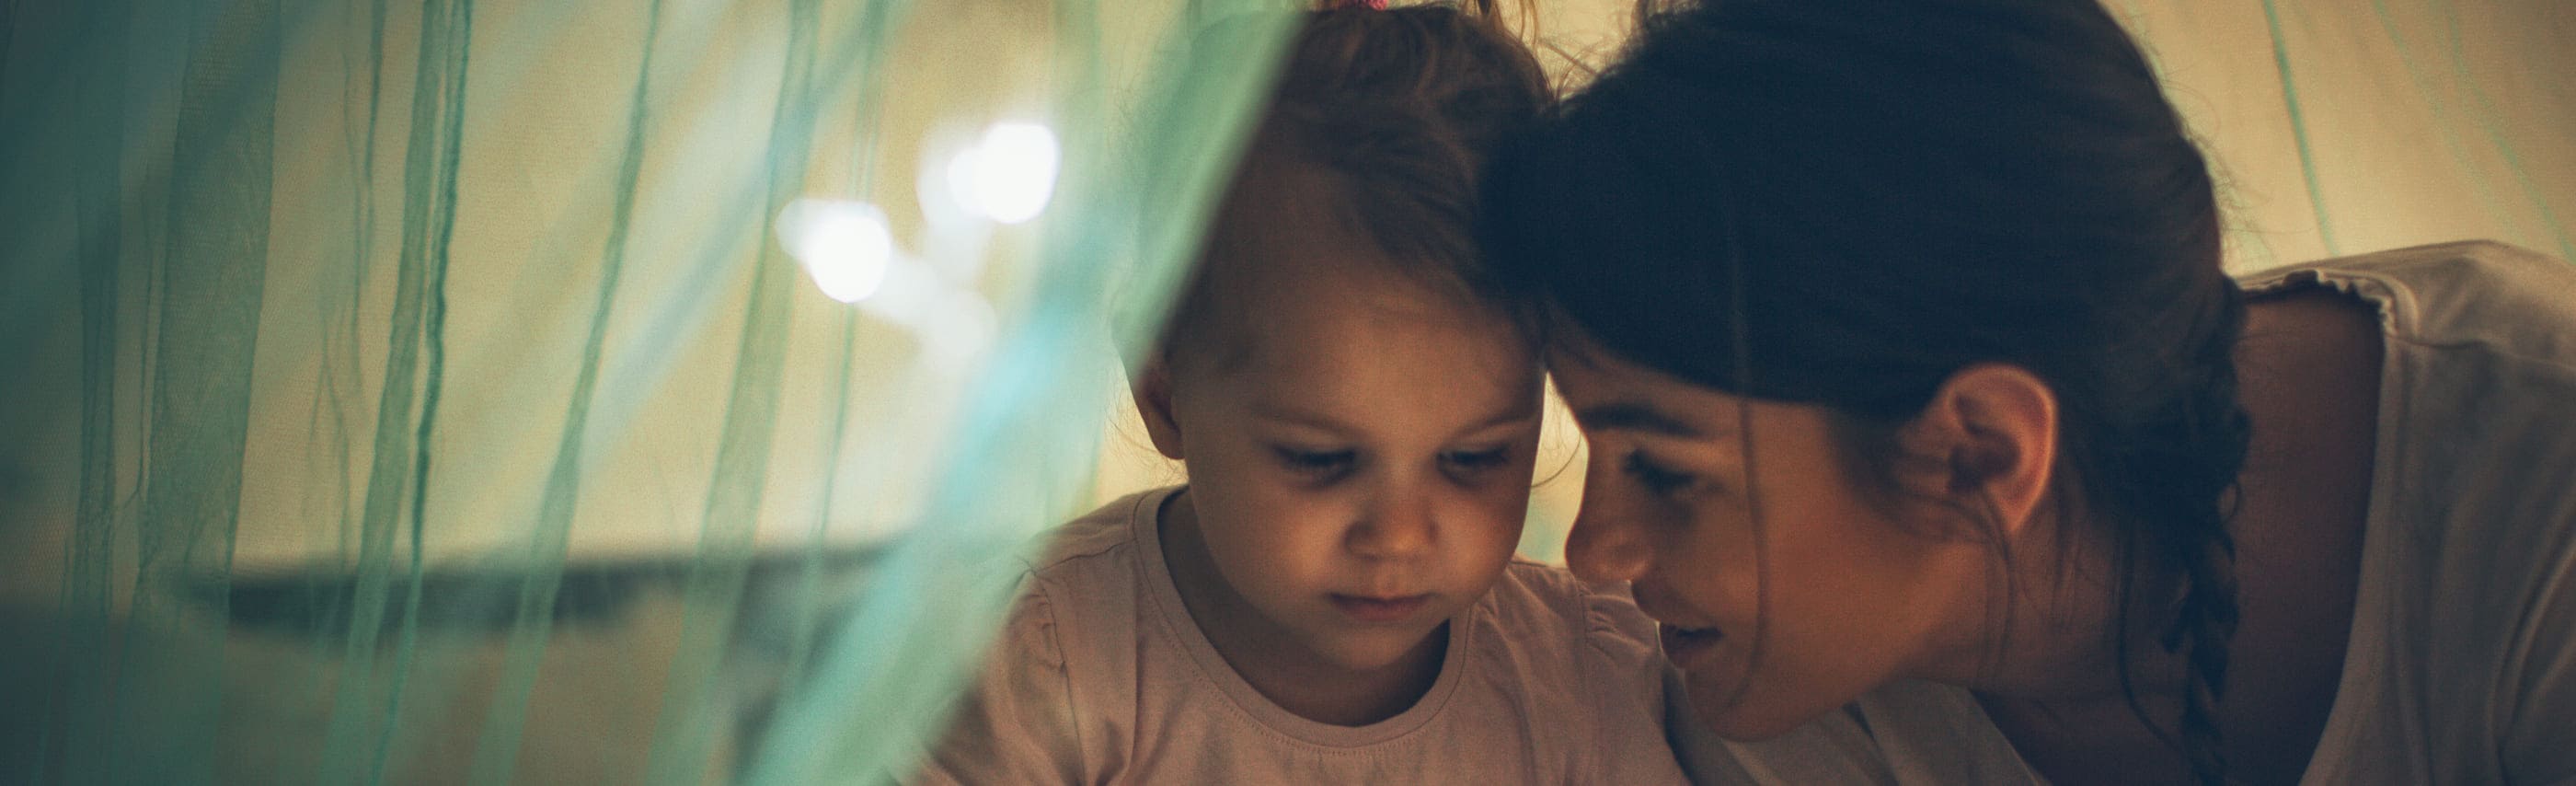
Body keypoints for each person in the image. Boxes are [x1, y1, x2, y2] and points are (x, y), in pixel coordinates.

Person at [1479, 0, 2576, 783]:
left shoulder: (2535, 491)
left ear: (1981, 452)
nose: (1593, 553)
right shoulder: (1765, 696)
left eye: (1665, 470)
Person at [913, 2, 1696, 782]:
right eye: (1320, 459)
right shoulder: (1040, 660)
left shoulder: (1580, 679)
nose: (1397, 536)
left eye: (1472, 458)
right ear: (1164, 392)